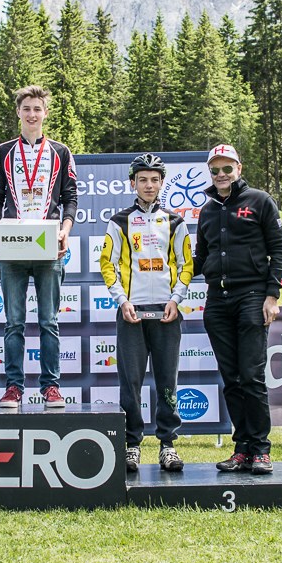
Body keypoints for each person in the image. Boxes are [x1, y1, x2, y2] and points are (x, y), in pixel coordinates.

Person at [193, 144, 282, 475]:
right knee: (232, 380)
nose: (221, 175)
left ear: (239, 168)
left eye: (227, 168)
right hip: (217, 301)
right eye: (215, 170)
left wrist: (272, 295)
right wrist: (165, 267)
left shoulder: (260, 201)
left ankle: (261, 449)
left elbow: (280, 249)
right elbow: (200, 258)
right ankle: (242, 449)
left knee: (251, 376)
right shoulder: (207, 211)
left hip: (252, 297)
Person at [99, 153, 193, 473]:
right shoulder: (119, 221)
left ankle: (167, 445)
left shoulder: (175, 221)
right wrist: (122, 300)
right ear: (133, 183)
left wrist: (176, 299)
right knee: (131, 384)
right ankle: (132, 445)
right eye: (143, 180)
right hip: (132, 314)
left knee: (167, 382)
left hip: (166, 312)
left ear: (162, 183)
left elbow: (186, 264)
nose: (149, 185)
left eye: (154, 179)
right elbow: (107, 264)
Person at [0, 85, 77, 408]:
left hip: (48, 245)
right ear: (18, 112)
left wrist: (65, 230)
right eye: (26, 108)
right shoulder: (3, 151)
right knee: (14, 322)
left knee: (49, 321)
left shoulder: (61, 152)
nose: (32, 114)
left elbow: (70, 197)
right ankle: (14, 387)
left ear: (45, 113)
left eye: (37, 108)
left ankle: (51, 387)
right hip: (13, 246)